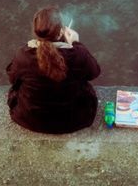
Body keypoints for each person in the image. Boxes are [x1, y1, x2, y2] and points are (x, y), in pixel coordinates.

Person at [6, 7, 101, 135]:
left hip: (30, 119)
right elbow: (94, 72)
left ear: (36, 31)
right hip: (76, 120)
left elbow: (12, 78)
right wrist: (76, 43)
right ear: (61, 32)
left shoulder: (23, 55)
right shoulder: (78, 54)